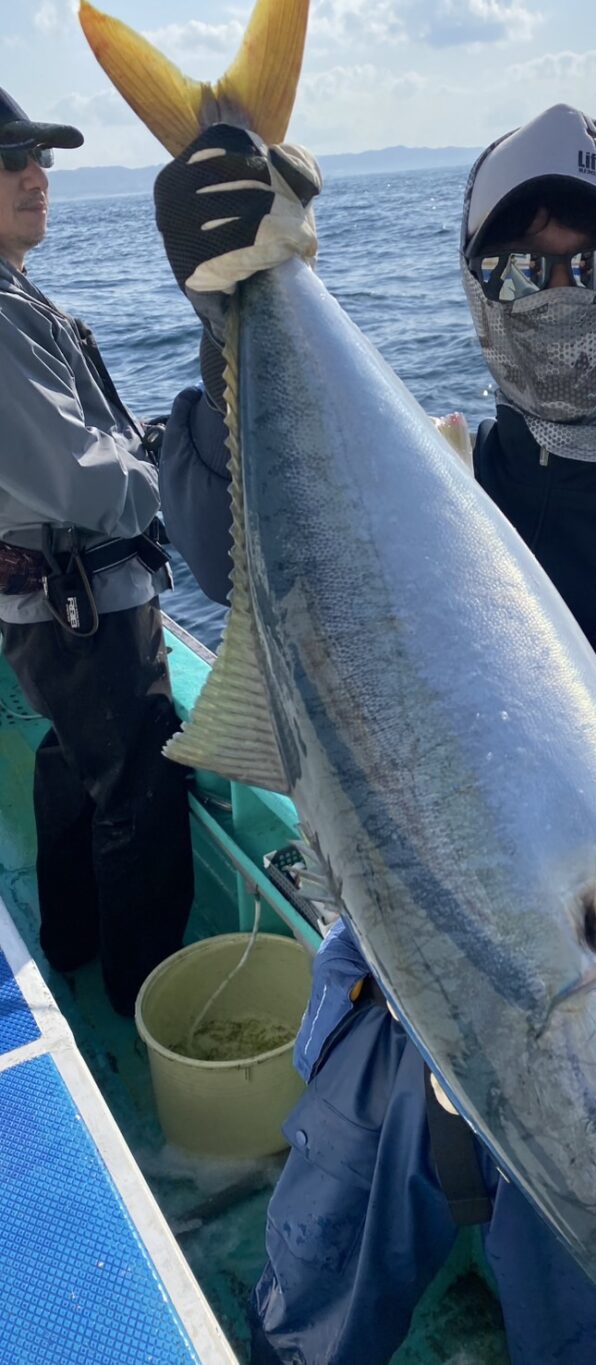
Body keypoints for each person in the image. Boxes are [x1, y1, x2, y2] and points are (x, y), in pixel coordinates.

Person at [155, 104, 596, 1364]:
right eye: (524, 268)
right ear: (475, 291)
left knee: (582, 1307)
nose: (561, 297)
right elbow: (217, 554)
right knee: (320, 1266)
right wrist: (227, 315)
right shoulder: (419, 476)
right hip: (398, 977)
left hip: (566, 1024)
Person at [0, 88, 194, 1017]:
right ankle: (141, 999)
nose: (35, 175)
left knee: (77, 757)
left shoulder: (13, 292)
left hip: (50, 609)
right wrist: (169, 476)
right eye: (11, 160)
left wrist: (136, 445)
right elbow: (78, 480)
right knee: (138, 781)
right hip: (83, 609)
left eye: (40, 157)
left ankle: (71, 940)